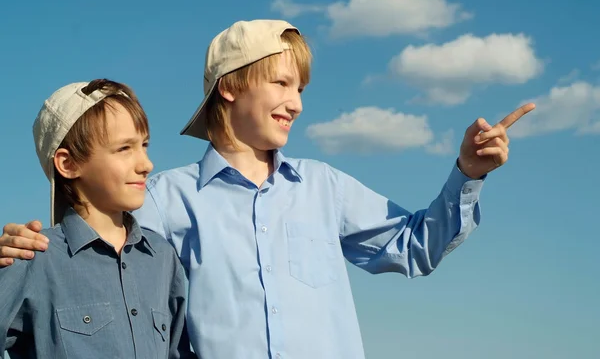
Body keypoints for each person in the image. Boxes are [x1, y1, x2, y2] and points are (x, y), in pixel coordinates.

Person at [0, 20, 535, 359]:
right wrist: (20, 244)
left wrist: (468, 173)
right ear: (229, 86)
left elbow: (416, 245)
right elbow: (94, 259)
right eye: (281, 83)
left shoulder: (324, 187)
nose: (297, 102)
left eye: (300, 88)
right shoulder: (163, 197)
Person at [0, 79, 196, 359]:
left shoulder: (162, 258)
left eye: (144, 145)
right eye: (124, 149)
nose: (146, 164)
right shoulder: (33, 259)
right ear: (69, 164)